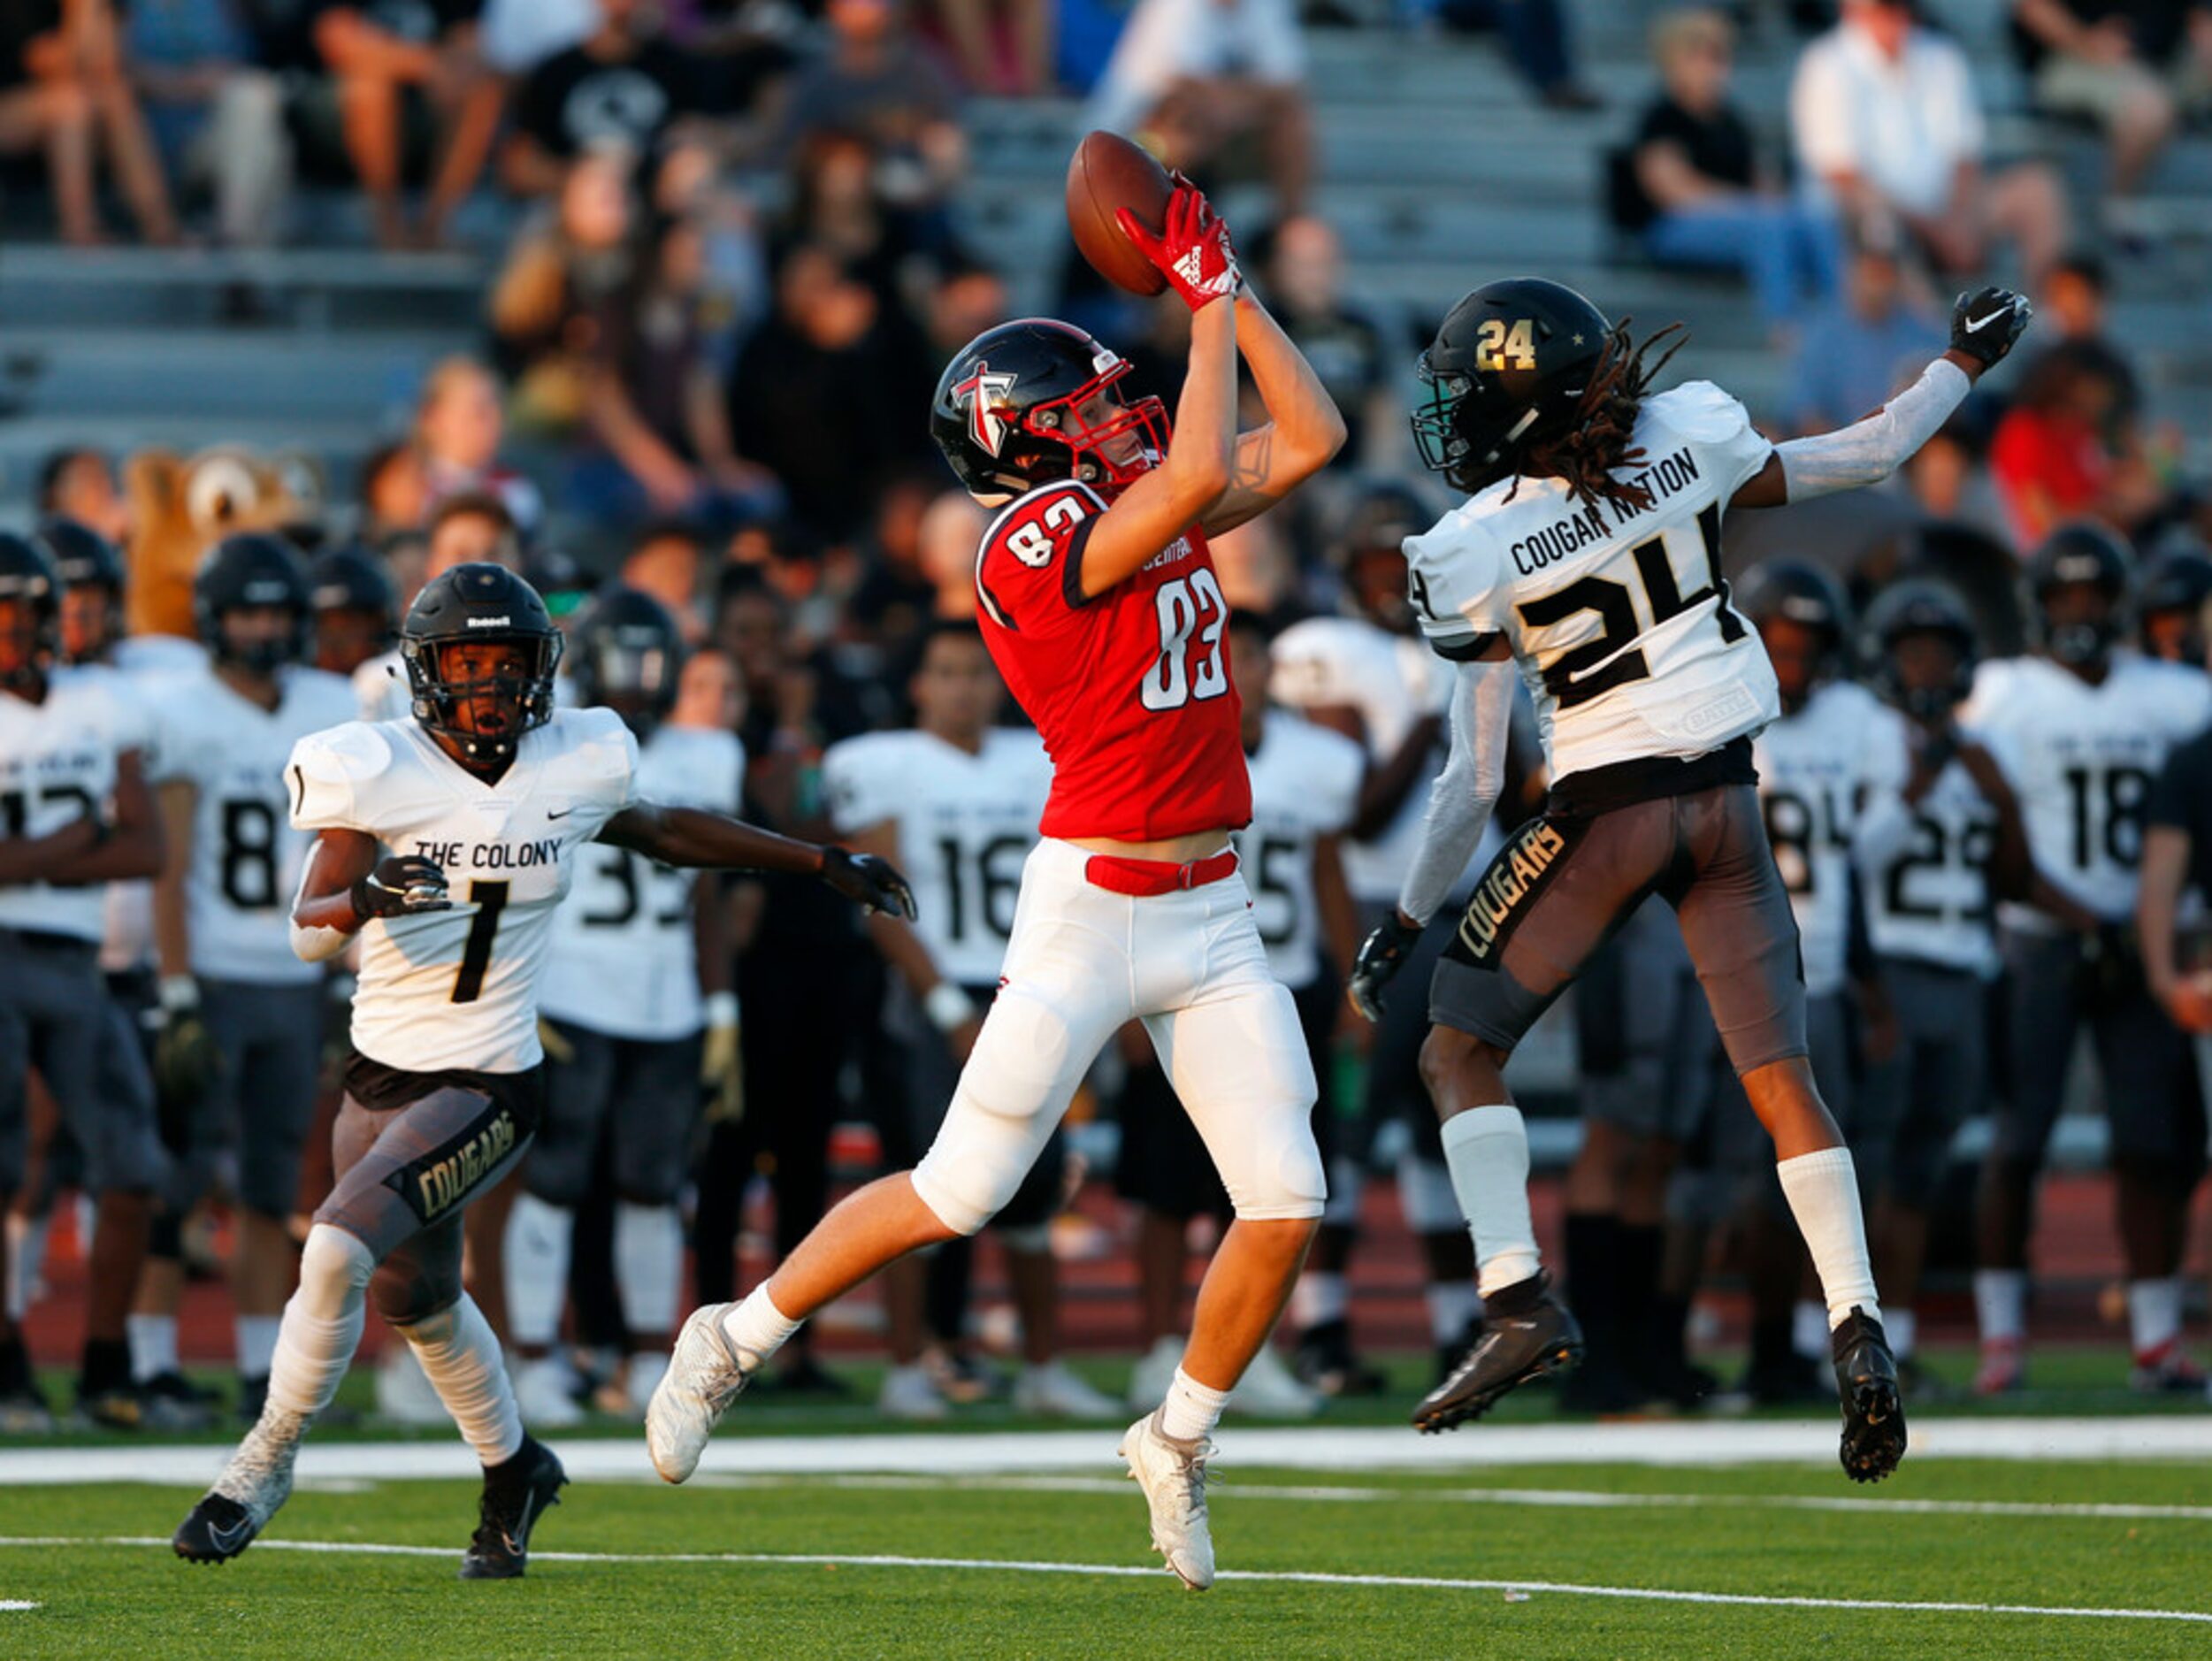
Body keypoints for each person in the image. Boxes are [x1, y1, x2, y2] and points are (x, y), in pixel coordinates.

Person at [647, 175, 1344, 1591]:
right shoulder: (1026, 538)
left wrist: (1234, 290)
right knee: (961, 1186)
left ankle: (1177, 1435)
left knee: (1284, 1196)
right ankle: (736, 1330)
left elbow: (1313, 433)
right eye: (1085, 410)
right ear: (1022, 441)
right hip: (1093, 901)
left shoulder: (1137, 499)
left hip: (1212, 908)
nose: (1115, 415)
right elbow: (1204, 472)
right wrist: (1202, 291)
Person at [1348, 273, 2035, 1483]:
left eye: (1470, 393)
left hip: (1607, 807)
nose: (1453, 414)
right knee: (1783, 1079)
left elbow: (1470, 779)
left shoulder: (1466, 547)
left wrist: (1405, 916)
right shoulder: (1689, 432)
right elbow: (1867, 454)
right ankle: (1857, 1322)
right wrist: (1959, 368)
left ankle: (1515, 1299)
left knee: (1455, 1048)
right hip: (1726, 800)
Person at [172, 562, 911, 1572]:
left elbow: (659, 830)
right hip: (379, 1073)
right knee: (417, 1300)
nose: (489, 686)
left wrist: (816, 861)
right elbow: (307, 930)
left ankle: (262, 1461)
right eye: (467, 664)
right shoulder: (371, 766)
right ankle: (515, 1468)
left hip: (488, 1082)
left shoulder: (577, 758)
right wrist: (367, 900)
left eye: (506, 663)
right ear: (426, 672)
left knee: (336, 1245)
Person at [823, 621, 1118, 1420]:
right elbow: (883, 901)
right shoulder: (881, 763)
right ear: (917, 684)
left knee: (1035, 1185)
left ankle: (1043, 1366)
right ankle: (906, 1365)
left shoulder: (1039, 758)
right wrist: (949, 1007)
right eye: (945, 672)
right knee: (920, 1183)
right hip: (934, 997)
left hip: (1026, 988)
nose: (963, 688)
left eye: (975, 673)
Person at [1963, 524, 2212, 1396]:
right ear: (2037, 603)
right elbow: (1982, 829)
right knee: (2017, 1140)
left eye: (2093, 596)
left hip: (2147, 944)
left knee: (2152, 1146)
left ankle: (2152, 1337)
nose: (2079, 611)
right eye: (2063, 595)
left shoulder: (2176, 697)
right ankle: (2000, 1338)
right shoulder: (1999, 694)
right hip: (2038, 938)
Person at [135, 535, 358, 1423]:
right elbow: (170, 860)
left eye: (275, 611)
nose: (262, 627)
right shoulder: (181, 708)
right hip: (217, 975)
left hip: (296, 976)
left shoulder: (330, 703)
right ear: (212, 620)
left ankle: (266, 1368)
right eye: (246, 612)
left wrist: (345, 977)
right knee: (181, 1174)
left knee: (274, 1181)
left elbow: (354, 850)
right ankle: (151, 1363)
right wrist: (179, 986)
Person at [506, 587, 742, 1426]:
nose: (639, 679)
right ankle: (534, 1357)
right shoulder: (552, 741)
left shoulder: (708, 754)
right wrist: (518, 981)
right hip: (569, 990)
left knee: (652, 1185)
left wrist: (721, 1010)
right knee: (554, 1180)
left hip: (666, 998)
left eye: (653, 659)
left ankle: (650, 1358)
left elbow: (708, 895)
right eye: (625, 658)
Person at [0, 533, 168, 1430]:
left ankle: (107, 1366)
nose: (10, 631)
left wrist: (31, 861)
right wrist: (77, 842)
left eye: (20, 611)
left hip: (79, 963)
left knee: (133, 1166)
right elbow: (107, 841)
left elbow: (146, 847)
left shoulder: (105, 701)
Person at [1851, 579, 2032, 1390]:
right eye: (1911, 651)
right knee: (1867, 1165)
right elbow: (1851, 859)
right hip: (1887, 968)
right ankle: (1836, 1341)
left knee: (1922, 1173)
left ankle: (1901, 1340)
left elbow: (2011, 876)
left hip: (1960, 970)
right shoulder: (1869, 738)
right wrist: (1918, 782)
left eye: (1940, 652)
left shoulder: (1982, 747)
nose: (1927, 666)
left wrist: (2002, 802)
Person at [1791, 0, 2066, 285]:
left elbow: (1964, 152)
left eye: (1897, 9)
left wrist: (1957, 218)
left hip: (1946, 208)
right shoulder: (1825, 63)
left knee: (2037, 191)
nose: (1892, 18)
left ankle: (2045, 320)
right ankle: (1927, 324)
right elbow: (1842, 175)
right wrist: (1933, 228)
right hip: (1870, 217)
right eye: (1881, 10)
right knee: (1880, 223)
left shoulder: (1940, 55)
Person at [1616, 7, 1840, 339]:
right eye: (1699, 57)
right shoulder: (1662, 116)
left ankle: (1843, 322)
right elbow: (1673, 190)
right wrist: (1750, 205)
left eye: (1717, 57)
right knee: (1768, 226)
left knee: (1815, 222)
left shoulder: (1731, 120)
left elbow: (1762, 181)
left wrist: (1766, 201)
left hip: (1739, 220)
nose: (1712, 68)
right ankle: (1787, 330)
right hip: (1671, 227)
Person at [2012, 0, 2212, 242]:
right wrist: (2086, 43)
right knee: (2147, 107)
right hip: (2074, 57)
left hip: (2162, 62)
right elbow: (2030, 7)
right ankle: (2117, 211)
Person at [307, 543, 398, 677]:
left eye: (349, 630)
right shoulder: (287, 691)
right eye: (327, 631)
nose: (337, 647)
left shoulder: (398, 685)